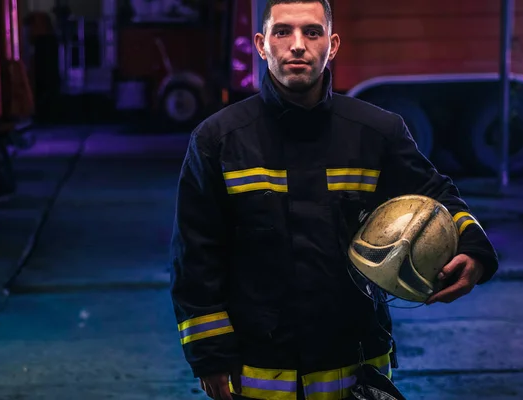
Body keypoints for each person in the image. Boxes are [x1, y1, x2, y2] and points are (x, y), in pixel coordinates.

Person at [169, 1, 499, 399]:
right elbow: (195, 255)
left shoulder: (377, 132)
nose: (297, 45)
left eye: (312, 32)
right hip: (260, 372)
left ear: (333, 44)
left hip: (355, 367)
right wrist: (209, 354)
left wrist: (474, 249)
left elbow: (438, 196)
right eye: (282, 32)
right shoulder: (217, 141)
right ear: (260, 44)